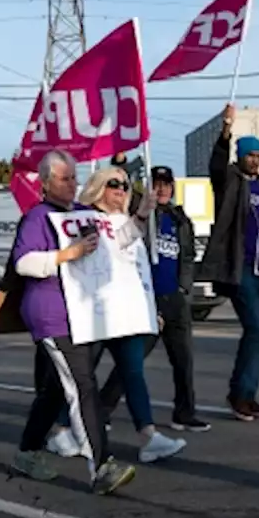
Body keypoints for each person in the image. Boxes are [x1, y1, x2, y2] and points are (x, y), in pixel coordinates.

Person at [11, 149, 143, 496]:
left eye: (74, 177)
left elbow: (121, 242)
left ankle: (26, 452)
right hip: (54, 314)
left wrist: (140, 216)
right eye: (64, 178)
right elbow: (23, 263)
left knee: (57, 388)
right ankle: (100, 465)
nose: (72, 184)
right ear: (45, 183)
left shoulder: (86, 214)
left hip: (85, 313)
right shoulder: (37, 218)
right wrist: (67, 254)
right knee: (83, 383)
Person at [78, 166, 187, 463]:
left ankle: (148, 435)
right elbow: (110, 245)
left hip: (125, 315)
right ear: (100, 186)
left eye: (125, 184)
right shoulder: (85, 219)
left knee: (133, 372)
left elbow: (139, 268)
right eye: (114, 183)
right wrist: (139, 217)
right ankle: (64, 428)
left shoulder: (124, 222)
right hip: (96, 314)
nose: (121, 189)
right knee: (81, 377)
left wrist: (150, 310)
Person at [100, 165, 209, 432]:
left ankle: (184, 413)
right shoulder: (142, 213)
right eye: (156, 184)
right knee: (133, 361)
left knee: (183, 360)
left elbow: (187, 256)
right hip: (147, 299)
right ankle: (102, 409)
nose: (162, 189)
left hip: (175, 299)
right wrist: (121, 162)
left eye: (166, 184)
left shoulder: (180, 219)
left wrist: (184, 289)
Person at [198, 103, 259, 421]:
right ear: (241, 155)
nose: (255, 160)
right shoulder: (229, 180)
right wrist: (225, 130)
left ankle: (247, 394)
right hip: (240, 267)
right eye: (250, 155)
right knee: (255, 326)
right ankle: (239, 394)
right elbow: (217, 163)